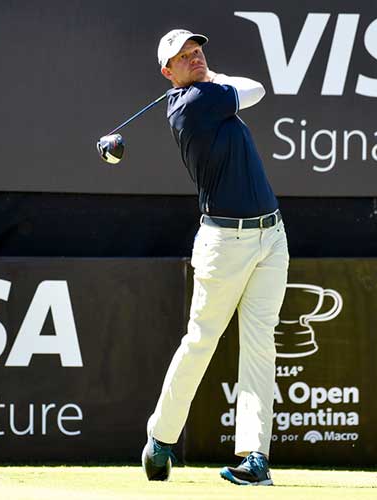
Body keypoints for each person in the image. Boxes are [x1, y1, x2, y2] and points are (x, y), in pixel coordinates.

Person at [141, 29, 289, 487]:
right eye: (184, 57)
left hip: (271, 236)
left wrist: (208, 76)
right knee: (202, 340)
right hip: (224, 245)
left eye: (197, 51)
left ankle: (254, 457)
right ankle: (161, 438)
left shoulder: (206, 94)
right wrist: (212, 80)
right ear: (168, 73)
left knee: (260, 345)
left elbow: (245, 91)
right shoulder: (191, 104)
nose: (195, 57)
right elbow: (257, 88)